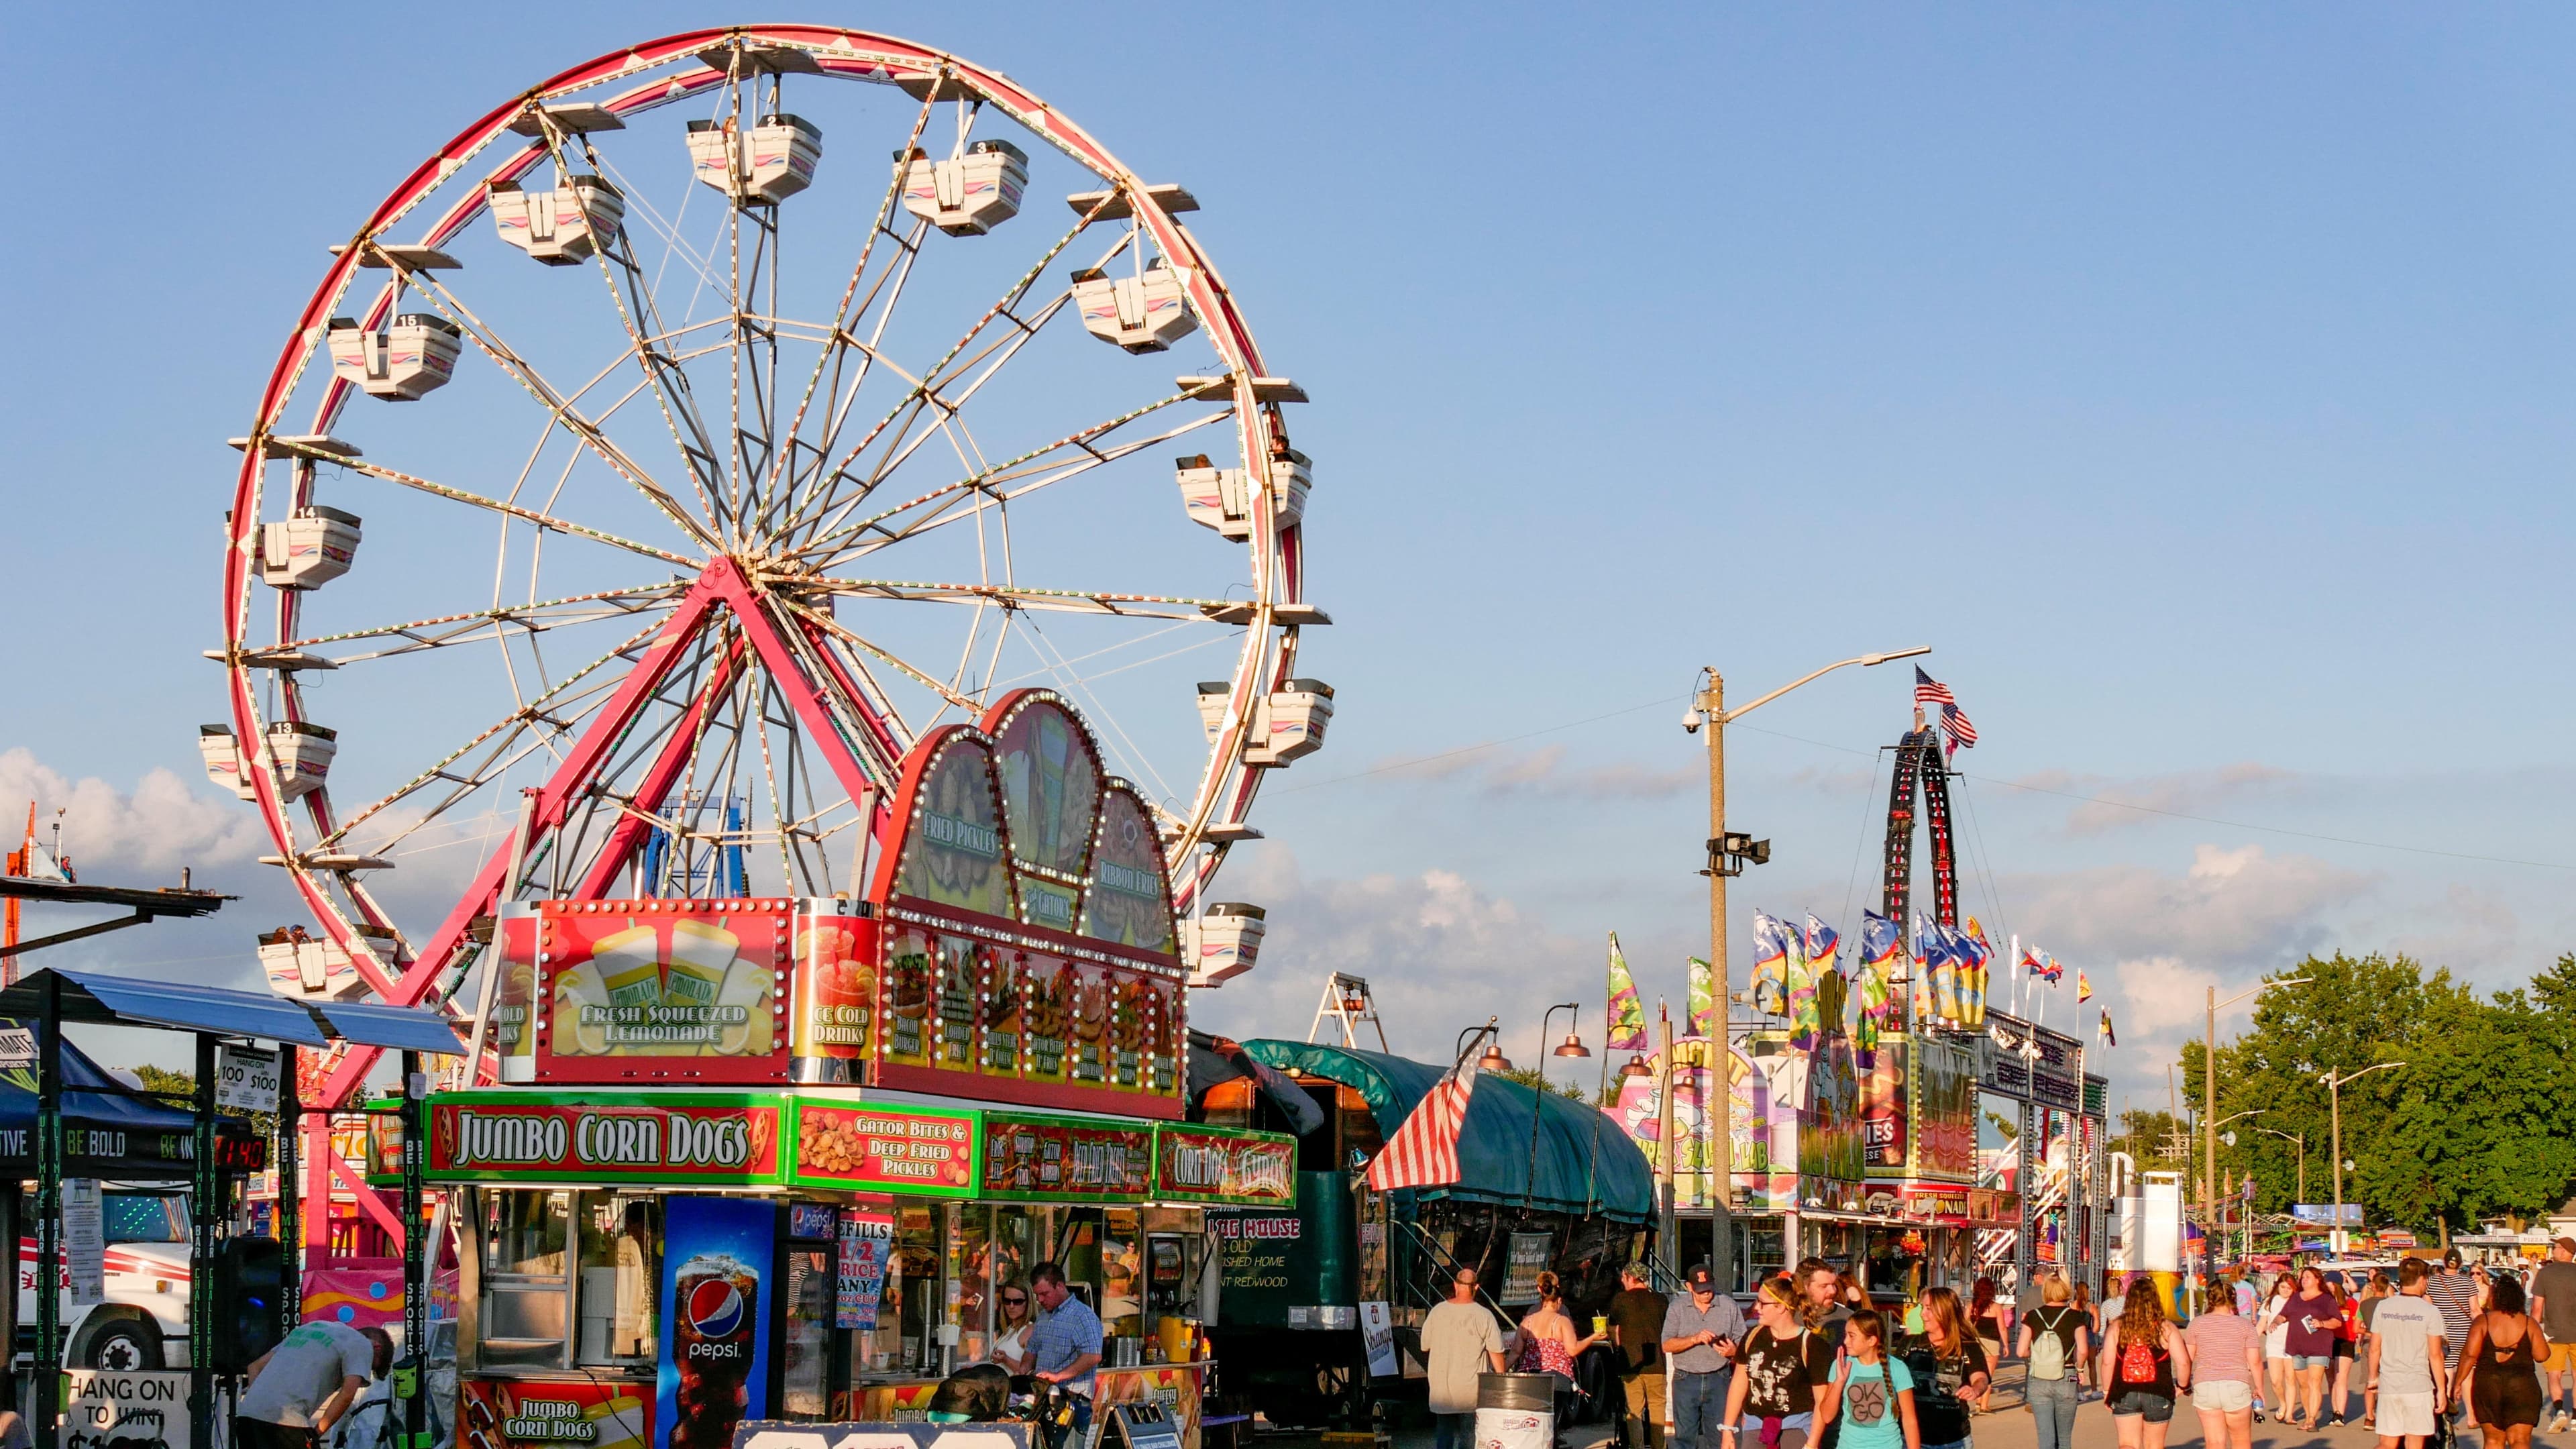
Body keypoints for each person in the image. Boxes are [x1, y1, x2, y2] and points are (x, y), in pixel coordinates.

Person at [1722, 1277, 1839, 1449]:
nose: (1756, 1308)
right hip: (1755, 1428)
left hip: (1796, 1429)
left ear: (1781, 1307)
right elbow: (1739, 1383)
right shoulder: (1753, 1337)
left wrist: (1812, 1443)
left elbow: (1821, 1400)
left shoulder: (1812, 1345)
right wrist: (1728, 1429)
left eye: (1762, 1303)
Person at [236, 1322, 391, 1449]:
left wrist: (259, 1404)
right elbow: (347, 1394)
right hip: (286, 1420)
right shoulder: (362, 1344)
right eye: (370, 1366)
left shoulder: (309, 1328)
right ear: (376, 1347)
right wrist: (316, 1434)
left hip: (247, 1415)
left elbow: (254, 1366)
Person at [2455, 1275, 2550, 1449]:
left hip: (2488, 1384)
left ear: (2495, 1297)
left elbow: (2469, 1355)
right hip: (2522, 1385)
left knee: (2493, 1440)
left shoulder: (2482, 1321)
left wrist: (2458, 1383)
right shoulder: (2529, 1323)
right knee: (2520, 1441)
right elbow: (2542, 1356)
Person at [2097, 1279, 2192, 1449]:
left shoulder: (2118, 1327)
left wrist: (2106, 1391)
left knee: (2127, 1444)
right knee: (2154, 1445)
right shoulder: (2166, 1327)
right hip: (2159, 1390)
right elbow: (2183, 1362)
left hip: (2124, 1391)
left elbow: (2107, 1363)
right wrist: (2182, 1386)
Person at [1664, 1263, 1750, 1449]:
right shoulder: (1677, 1307)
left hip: (1719, 1378)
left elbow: (1745, 1342)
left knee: (1720, 1436)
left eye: (1709, 1289)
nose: (1706, 1294)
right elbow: (1666, 1344)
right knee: (1685, 1438)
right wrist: (1694, 1339)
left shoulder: (1728, 1305)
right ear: (1689, 1287)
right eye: (1700, 1291)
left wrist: (1734, 1351)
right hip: (1686, 1378)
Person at [2369, 1256, 2452, 1449]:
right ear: (2422, 1279)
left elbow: (2374, 1348)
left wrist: (2373, 1377)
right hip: (2418, 1386)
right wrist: (2441, 1389)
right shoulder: (2430, 1311)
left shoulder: (2383, 1307)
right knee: (2415, 1443)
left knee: (2387, 1443)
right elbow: (2436, 1355)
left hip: (2390, 1384)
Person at [1517, 1271, 1605, 1446]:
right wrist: (1592, 1337)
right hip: (1557, 1377)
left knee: (1532, 1423)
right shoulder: (1562, 1318)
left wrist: (1501, 1370)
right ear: (1559, 1299)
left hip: (1531, 1377)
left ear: (1539, 1290)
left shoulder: (1528, 1319)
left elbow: (1516, 1352)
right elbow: (1572, 1350)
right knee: (1552, 1422)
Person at [1424, 1268, 1508, 1449]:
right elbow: (1496, 1353)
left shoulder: (1437, 1312)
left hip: (1442, 1392)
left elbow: (1425, 1345)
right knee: (1469, 1438)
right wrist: (1502, 1382)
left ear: (1455, 1285)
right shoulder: (1484, 1315)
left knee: (1444, 1438)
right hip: (1471, 1392)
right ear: (1476, 1287)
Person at [1893, 1287, 1986, 1449]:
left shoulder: (1968, 1346)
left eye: (1929, 1309)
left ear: (1945, 1311)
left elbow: (1981, 1378)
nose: (1923, 1314)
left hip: (1955, 1440)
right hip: (1912, 1438)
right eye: (1923, 1308)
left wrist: (1975, 1390)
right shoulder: (1909, 1344)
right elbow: (1890, 1381)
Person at [1027, 1261, 1105, 1448]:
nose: (1041, 1300)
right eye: (1037, 1295)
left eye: (1045, 1294)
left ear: (1060, 1286)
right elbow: (1032, 1349)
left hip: (1071, 1402)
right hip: (1044, 1401)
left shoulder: (1082, 1316)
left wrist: (1058, 1376)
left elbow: (1093, 1356)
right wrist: (1024, 1368)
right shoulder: (1044, 1317)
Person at [2182, 1273, 2264, 1449]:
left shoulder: (2196, 1324)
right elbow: (2255, 1362)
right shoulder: (2245, 1326)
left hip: (2205, 1385)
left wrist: (2184, 1384)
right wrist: (2259, 1388)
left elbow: (2187, 1359)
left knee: (2214, 1443)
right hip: (2236, 1384)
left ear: (2209, 1299)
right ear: (2233, 1298)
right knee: (2241, 1441)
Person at [1825, 1310, 1918, 1449]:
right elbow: (1827, 1416)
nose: (1845, 1341)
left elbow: (1909, 1419)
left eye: (1852, 1336)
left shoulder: (1898, 1368)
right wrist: (1839, 1382)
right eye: (1846, 1335)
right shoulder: (1840, 1365)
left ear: (1872, 1340)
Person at [2016, 1274, 2088, 1449]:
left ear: (2046, 1292)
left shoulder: (2033, 1316)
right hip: (2067, 1375)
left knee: (2046, 1439)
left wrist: (2039, 1355)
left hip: (2039, 1378)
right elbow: (2083, 1350)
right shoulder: (2075, 1316)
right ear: (2065, 1291)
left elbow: (2020, 1351)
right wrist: (2080, 1370)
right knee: (2064, 1439)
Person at [1610, 1263, 1672, 1449]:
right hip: (1657, 1365)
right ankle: (1658, 1446)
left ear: (1630, 1277)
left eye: (1623, 1277)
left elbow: (1613, 1329)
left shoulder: (1620, 1300)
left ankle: (1637, 1446)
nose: (1622, 1281)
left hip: (1631, 1365)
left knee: (1634, 1412)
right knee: (1657, 1410)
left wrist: (1618, 1346)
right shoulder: (1661, 1300)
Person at [2282, 1265, 2344, 1428]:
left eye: (2308, 1277)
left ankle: (2311, 1419)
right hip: (2297, 1346)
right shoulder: (2295, 1298)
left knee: (2314, 1381)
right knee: (2303, 1384)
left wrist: (2322, 1323)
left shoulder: (2326, 1299)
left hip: (2319, 1346)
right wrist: (2276, 1321)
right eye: (2302, 1277)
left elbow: (2337, 1322)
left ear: (2317, 1280)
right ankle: (2308, 1415)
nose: (2304, 1280)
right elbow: (2284, 1314)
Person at [2533, 1236, 2576, 1432]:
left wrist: (2533, 1333)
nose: (2553, 1250)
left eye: (2556, 1247)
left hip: (2552, 1333)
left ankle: (2559, 1410)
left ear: (2566, 1251)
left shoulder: (2545, 1273)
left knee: (2554, 1375)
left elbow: (2537, 1308)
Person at [2258, 1272, 2296, 1424]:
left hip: (2293, 1345)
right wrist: (2250, 1344)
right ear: (2278, 1286)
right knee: (2275, 1381)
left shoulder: (2297, 1301)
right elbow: (2261, 1325)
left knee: (2291, 1380)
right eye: (2283, 1287)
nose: (2286, 1290)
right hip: (2274, 1345)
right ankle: (2283, 1403)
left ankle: (2290, 1414)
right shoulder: (2270, 1301)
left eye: (2289, 1288)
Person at [992, 1280, 1036, 1373]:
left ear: (1028, 1302)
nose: (1011, 1306)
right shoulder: (1010, 1329)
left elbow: (1030, 1372)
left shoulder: (1030, 1330)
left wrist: (1006, 1360)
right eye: (1007, 1301)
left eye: (1018, 1302)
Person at [1968, 1279, 2006, 1372]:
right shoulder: (1997, 1307)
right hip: (1992, 1343)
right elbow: (2002, 1328)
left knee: (1975, 1374)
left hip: (1974, 1343)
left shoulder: (1971, 1306)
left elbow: (1965, 1324)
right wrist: (2006, 1345)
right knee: (1988, 1378)